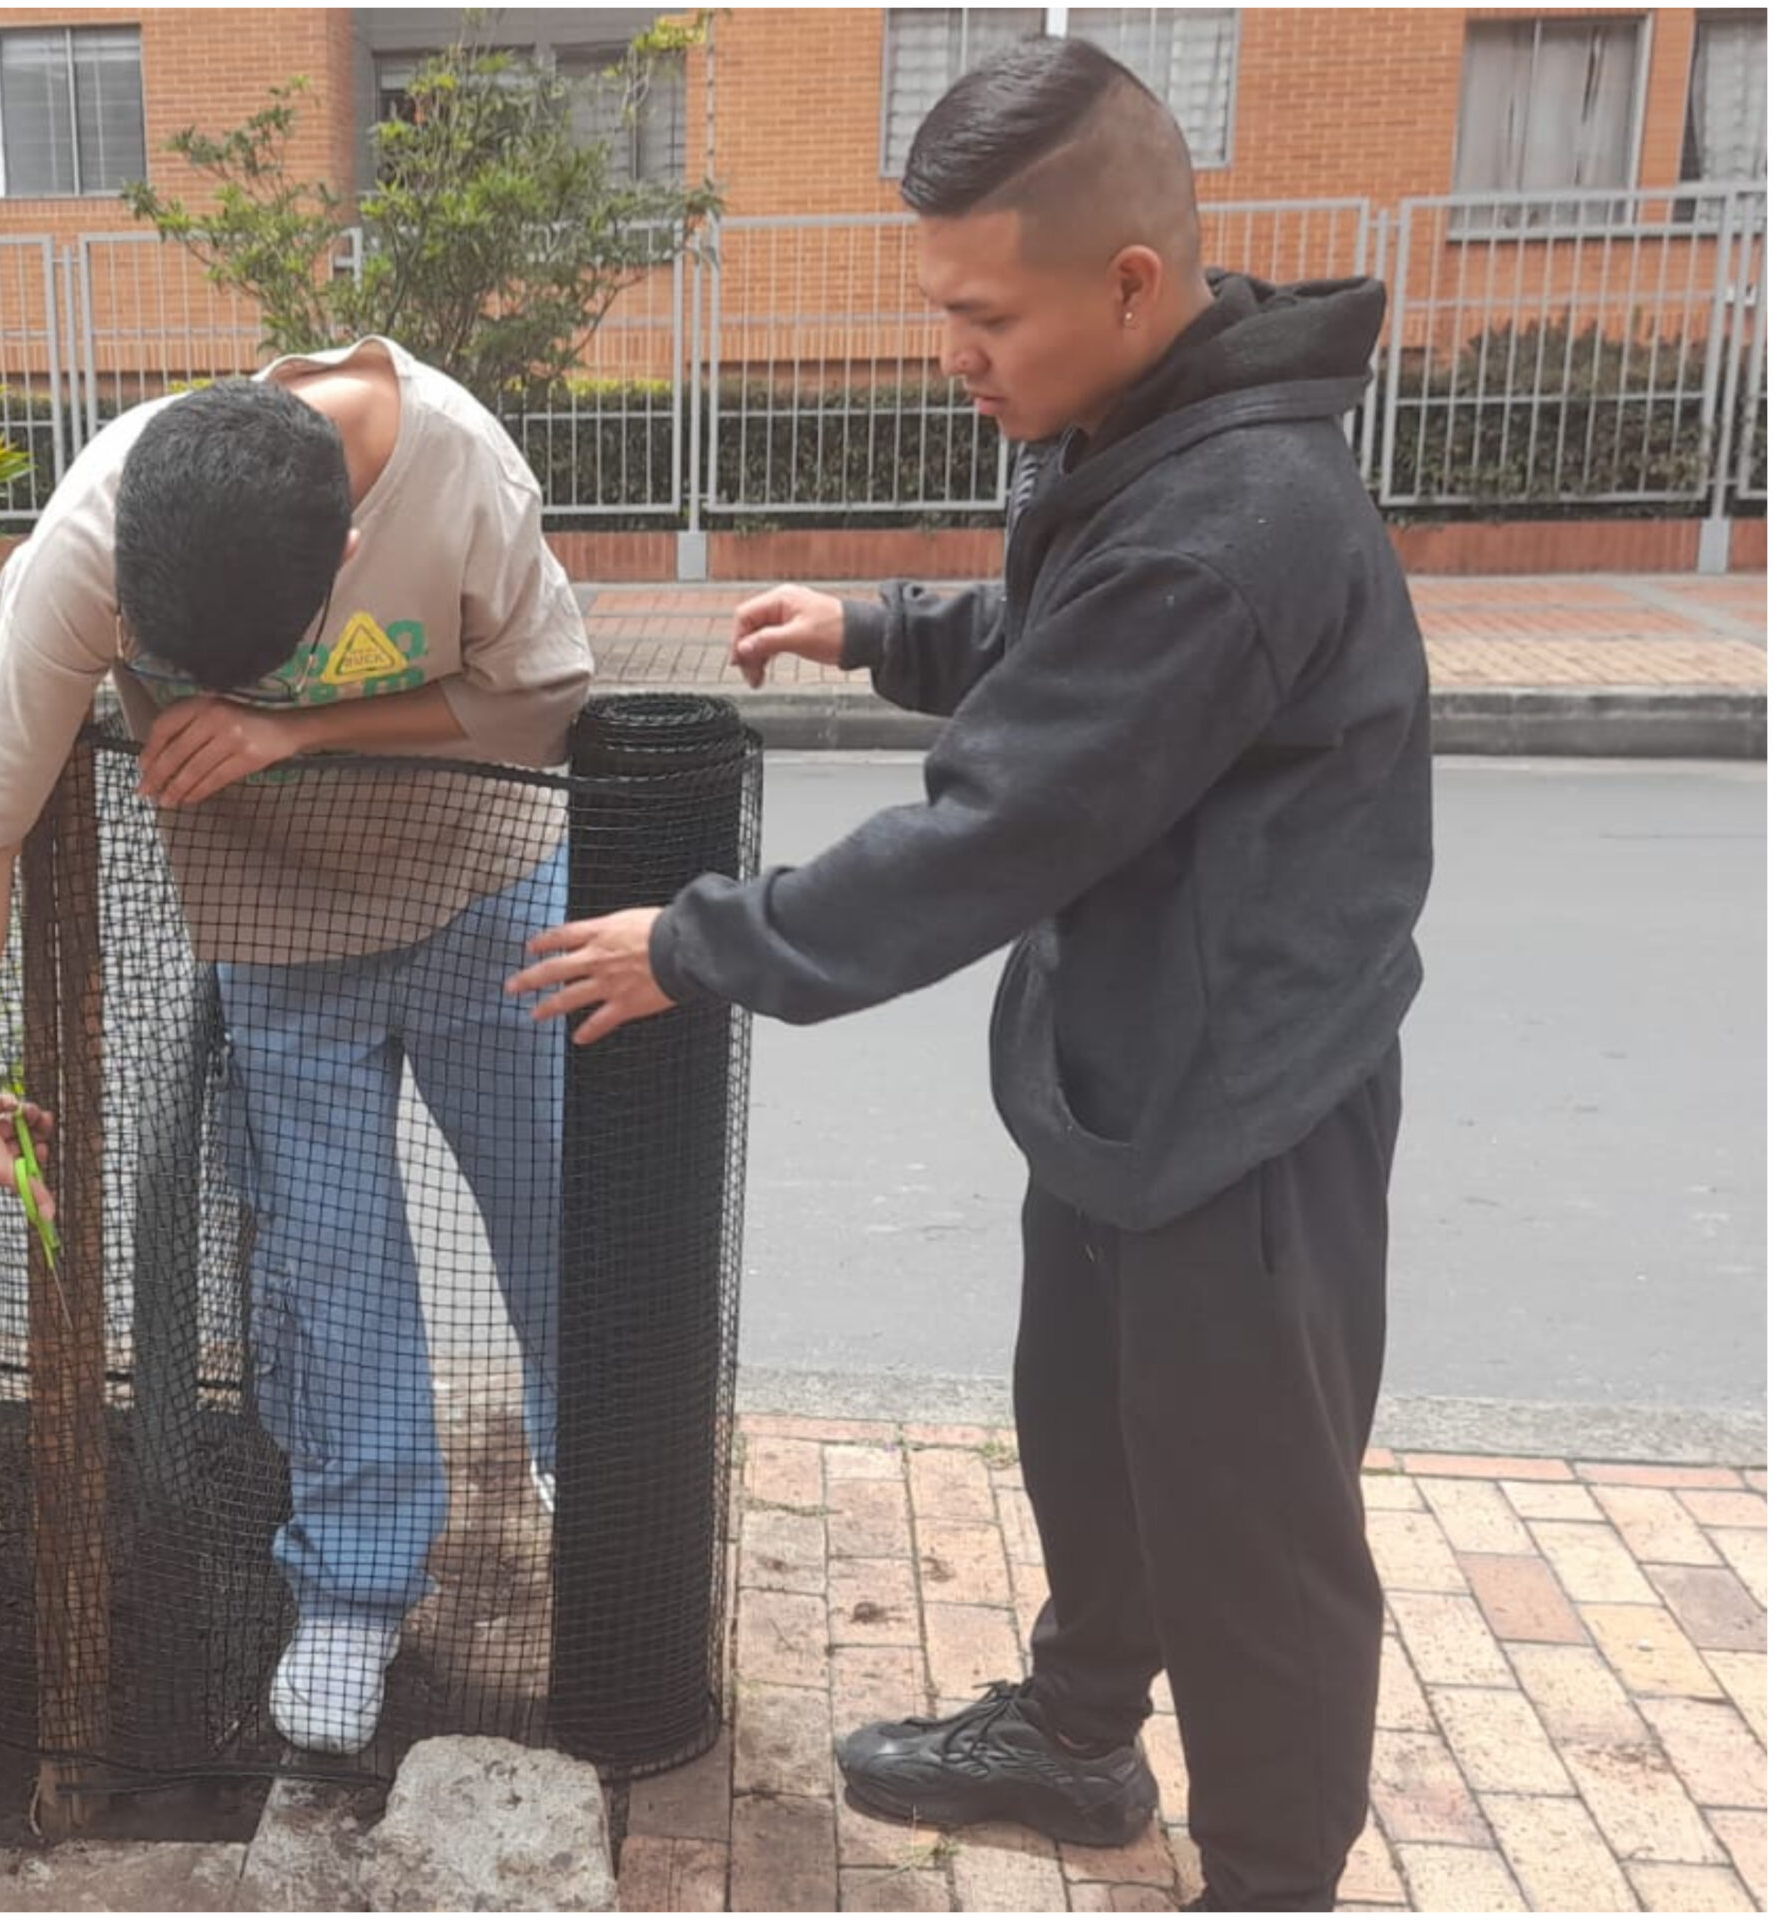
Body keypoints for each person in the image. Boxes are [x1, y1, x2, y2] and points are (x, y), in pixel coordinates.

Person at [507, 37, 1431, 1913]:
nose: (957, 355)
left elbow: (1003, 824)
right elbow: (1067, 636)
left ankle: (1270, 1880)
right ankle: (1079, 1740)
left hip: (1243, 1110)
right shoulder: (1156, 435)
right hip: (1128, 1075)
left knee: (1252, 1535)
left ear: (1132, 284)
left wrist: (698, 942)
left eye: (983, 316)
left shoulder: (1234, 524)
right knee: (1092, 1442)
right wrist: (883, 626)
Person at [0, 340, 593, 1755]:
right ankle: (353, 1589)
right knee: (331, 1270)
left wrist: (300, 730)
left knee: (557, 1203)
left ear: (346, 553)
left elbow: (544, 698)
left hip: (484, 881)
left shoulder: (459, 470)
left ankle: (587, 1458)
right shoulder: (91, 545)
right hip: (274, 921)